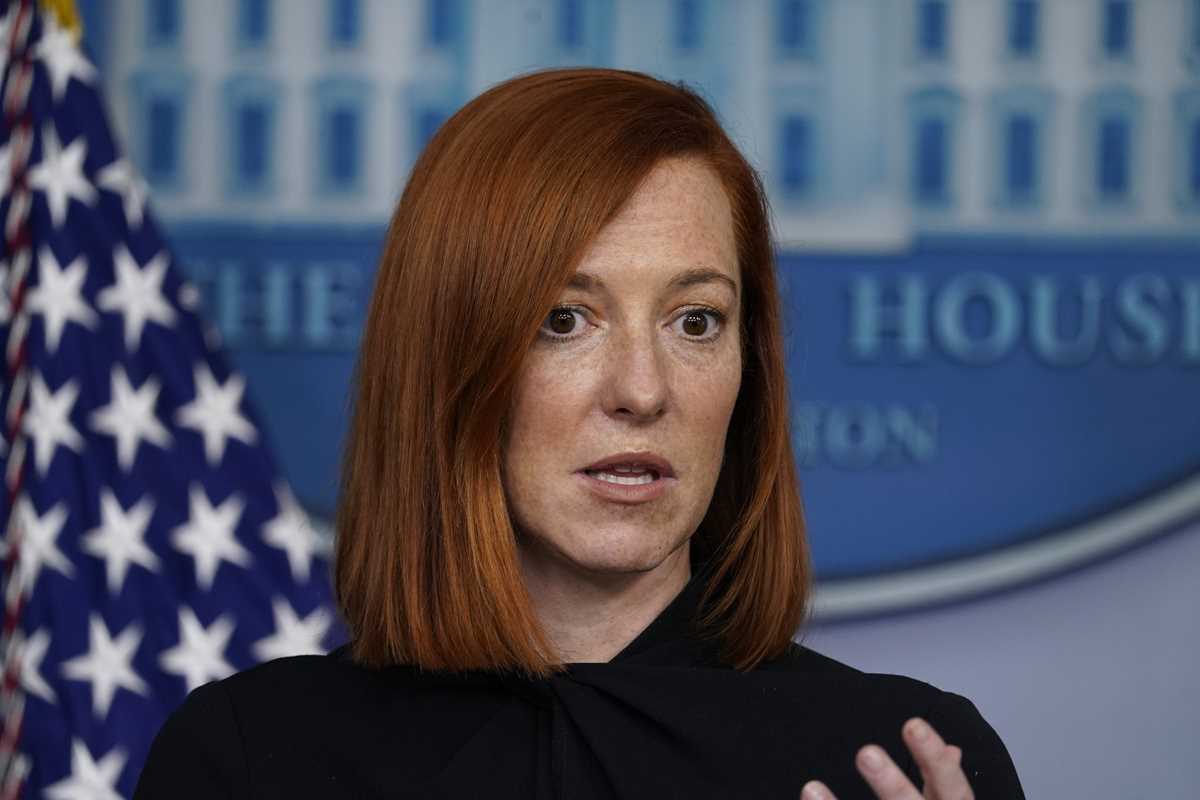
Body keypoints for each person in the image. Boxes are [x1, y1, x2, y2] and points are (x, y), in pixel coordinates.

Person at [134, 67, 1024, 799]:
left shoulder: (898, 762)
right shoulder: (248, 760)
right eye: (564, 320)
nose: (642, 390)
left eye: (696, 321)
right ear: (449, 361)